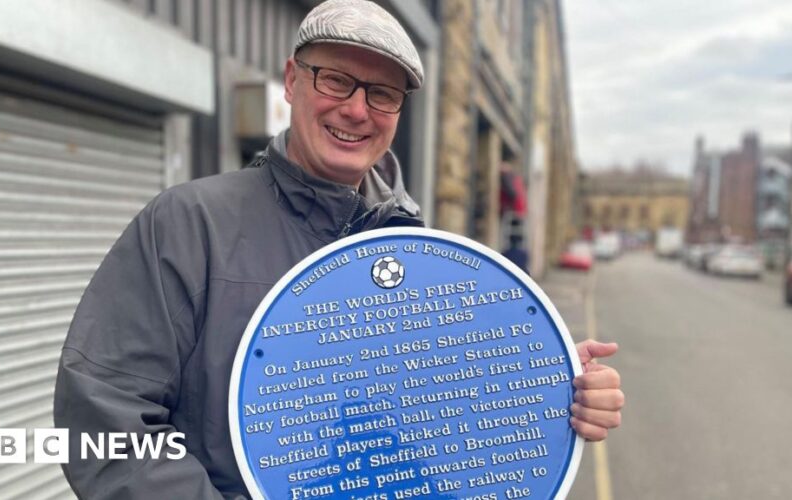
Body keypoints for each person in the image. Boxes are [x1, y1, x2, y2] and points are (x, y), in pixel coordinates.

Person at [54, 0, 624, 498]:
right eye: (335, 80)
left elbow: (441, 409)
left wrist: (543, 380)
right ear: (292, 80)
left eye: (383, 94)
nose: (357, 110)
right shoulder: (187, 225)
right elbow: (101, 421)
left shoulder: (421, 255)